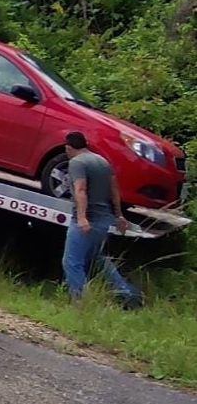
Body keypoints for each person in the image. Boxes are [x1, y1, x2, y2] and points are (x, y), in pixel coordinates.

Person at [62, 131, 142, 306]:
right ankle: (127, 294)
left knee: (71, 261)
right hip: (104, 219)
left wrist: (82, 218)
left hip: (88, 219)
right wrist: (119, 215)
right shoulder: (102, 161)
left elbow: (81, 190)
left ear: (68, 147)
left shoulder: (77, 162)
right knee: (98, 258)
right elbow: (114, 191)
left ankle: (80, 301)